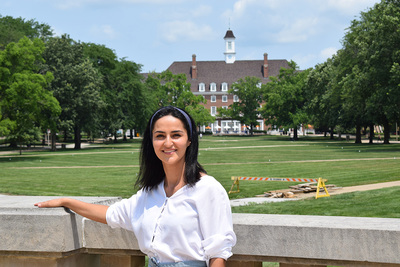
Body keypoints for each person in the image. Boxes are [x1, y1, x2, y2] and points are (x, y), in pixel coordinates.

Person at [35, 106, 236, 267]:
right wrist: (66, 201)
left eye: (176, 135)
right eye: (159, 136)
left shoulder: (207, 189)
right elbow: (111, 214)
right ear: (151, 141)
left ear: (189, 140)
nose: (168, 143)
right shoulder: (150, 193)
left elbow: (217, 254)